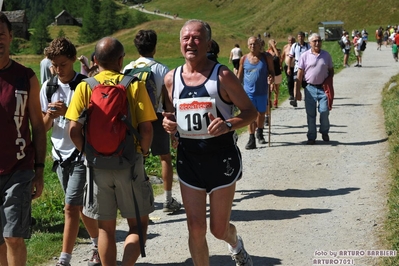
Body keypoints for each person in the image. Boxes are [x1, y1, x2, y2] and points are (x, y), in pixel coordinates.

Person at [162, 19, 257, 266]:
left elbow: (250, 112)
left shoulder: (222, 75)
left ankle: (235, 243)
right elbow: (171, 115)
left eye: (196, 38)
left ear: (207, 43)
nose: (190, 43)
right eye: (186, 38)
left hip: (220, 158)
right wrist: (170, 126)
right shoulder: (171, 79)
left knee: (218, 229)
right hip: (189, 160)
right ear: (180, 43)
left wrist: (227, 125)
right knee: (195, 228)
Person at [65, 37, 157, 266]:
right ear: (121, 59)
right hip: (129, 164)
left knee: (105, 228)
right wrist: (143, 153)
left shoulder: (85, 86)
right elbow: (146, 129)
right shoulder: (134, 85)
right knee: (137, 226)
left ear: (95, 60)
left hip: (97, 166)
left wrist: (88, 153)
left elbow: (74, 131)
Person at [39, 37, 100, 266]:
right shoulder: (49, 87)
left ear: (74, 59)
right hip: (59, 156)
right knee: (80, 207)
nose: (58, 70)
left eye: (62, 64)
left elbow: (94, 124)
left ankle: (64, 260)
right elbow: (43, 128)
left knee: (71, 207)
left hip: (81, 155)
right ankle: (98, 244)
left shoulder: (86, 85)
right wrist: (50, 116)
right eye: (54, 65)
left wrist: (68, 112)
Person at [0, 12, 46, 266]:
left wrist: (39, 170)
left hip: (18, 169)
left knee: (13, 237)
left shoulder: (25, 77)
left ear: (10, 37)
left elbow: (38, 126)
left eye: (1, 35)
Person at [122, 29, 182, 213]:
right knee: (165, 158)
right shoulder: (162, 69)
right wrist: (173, 127)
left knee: (137, 158)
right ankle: (168, 199)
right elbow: (168, 101)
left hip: (135, 119)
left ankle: (138, 199)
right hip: (157, 117)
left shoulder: (128, 68)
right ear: (154, 47)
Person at [295, 33, 334, 145]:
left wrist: (329, 82)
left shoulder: (326, 55)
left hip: (323, 88)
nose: (317, 43)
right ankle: (311, 136)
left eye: (319, 41)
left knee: (324, 111)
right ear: (310, 43)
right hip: (310, 88)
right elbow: (300, 73)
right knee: (311, 114)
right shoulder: (305, 56)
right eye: (315, 41)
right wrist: (297, 91)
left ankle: (324, 130)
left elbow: (331, 70)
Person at [237, 36, 275, 149]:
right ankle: (251, 138)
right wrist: (235, 90)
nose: (253, 46)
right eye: (251, 44)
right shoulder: (243, 59)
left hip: (262, 91)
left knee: (261, 114)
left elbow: (272, 72)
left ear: (259, 45)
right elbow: (239, 76)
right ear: (248, 46)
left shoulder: (266, 57)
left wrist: (271, 78)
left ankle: (260, 133)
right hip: (248, 93)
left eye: (255, 44)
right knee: (250, 116)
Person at [287, 31, 310, 107]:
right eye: (299, 36)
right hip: (297, 66)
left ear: (304, 37)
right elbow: (290, 57)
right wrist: (289, 68)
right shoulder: (294, 46)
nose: (300, 38)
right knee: (296, 82)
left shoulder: (308, 46)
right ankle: (295, 99)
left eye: (302, 36)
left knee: (306, 84)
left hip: (306, 67)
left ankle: (308, 99)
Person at [267, 39, 282, 108]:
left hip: (277, 72)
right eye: (271, 43)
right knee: (270, 88)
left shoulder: (278, 51)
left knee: (276, 88)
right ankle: (269, 100)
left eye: (274, 43)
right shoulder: (267, 52)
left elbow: (278, 57)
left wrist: (274, 47)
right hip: (270, 72)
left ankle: (275, 101)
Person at [281, 35, 296, 105]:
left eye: (292, 40)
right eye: (289, 40)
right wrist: (280, 64)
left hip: (295, 66)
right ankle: (291, 94)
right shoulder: (285, 47)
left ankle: (296, 93)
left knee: (295, 80)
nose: (291, 42)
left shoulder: (296, 47)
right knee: (289, 80)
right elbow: (283, 56)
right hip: (287, 66)